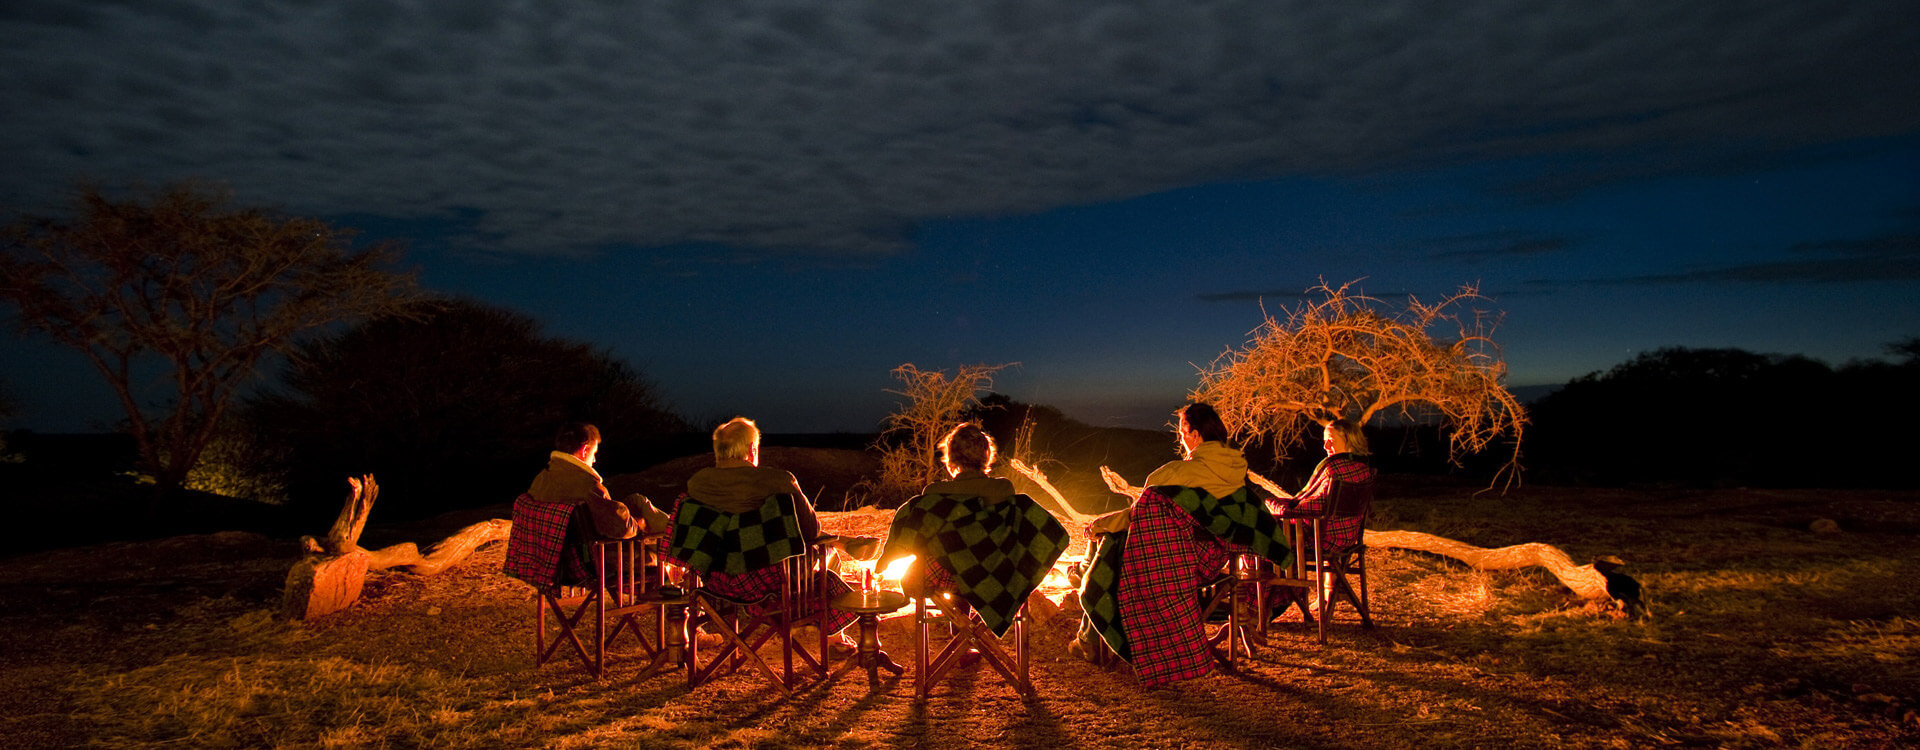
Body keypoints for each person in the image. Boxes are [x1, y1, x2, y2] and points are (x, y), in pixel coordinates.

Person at [1087, 402, 1249, 534]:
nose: (1180, 441)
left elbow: (1136, 516)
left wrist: (1097, 525)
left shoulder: (1173, 473)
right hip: (1214, 560)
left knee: (1109, 535)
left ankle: (1085, 569)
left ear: (1195, 435)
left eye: (1182, 434)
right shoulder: (1237, 473)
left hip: (1171, 561)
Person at [525, 422, 667, 539]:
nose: (594, 460)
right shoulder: (587, 486)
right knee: (654, 552)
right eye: (594, 453)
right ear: (585, 450)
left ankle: (677, 532)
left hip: (558, 548)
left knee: (637, 501)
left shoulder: (541, 478)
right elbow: (622, 528)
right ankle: (680, 540)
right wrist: (639, 523)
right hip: (599, 557)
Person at [1265, 418, 1376, 552]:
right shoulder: (1363, 469)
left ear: (1349, 439)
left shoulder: (1333, 469)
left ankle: (1254, 572)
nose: (1326, 447)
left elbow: (1313, 506)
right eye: (1324, 441)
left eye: (1331, 440)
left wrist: (1279, 508)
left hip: (1322, 539)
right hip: (1348, 538)